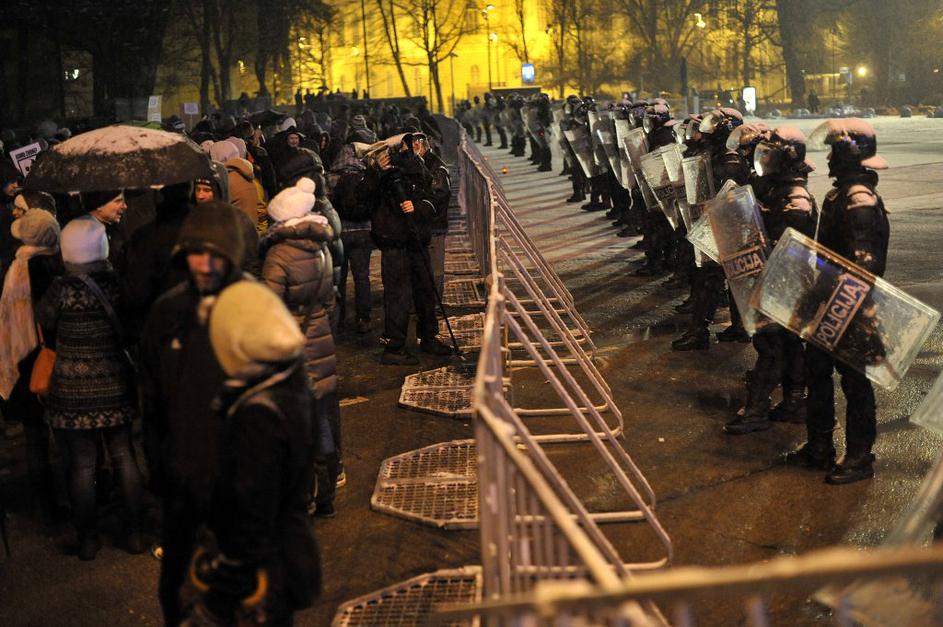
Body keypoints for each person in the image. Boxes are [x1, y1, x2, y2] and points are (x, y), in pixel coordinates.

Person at [182, 282, 320, 625]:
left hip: (263, 576)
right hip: (288, 557)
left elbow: (253, 516)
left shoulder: (257, 414)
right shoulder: (289, 378)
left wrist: (217, 597)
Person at [139, 202, 247, 624]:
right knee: (181, 591)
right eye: (196, 252)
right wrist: (160, 468)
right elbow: (152, 398)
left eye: (215, 252)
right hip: (184, 477)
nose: (205, 263)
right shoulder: (166, 313)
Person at [785, 118, 889, 485]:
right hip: (829, 300)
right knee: (817, 372)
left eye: (834, 151)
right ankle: (819, 445)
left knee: (855, 382)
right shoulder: (838, 196)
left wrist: (839, 302)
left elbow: (865, 265)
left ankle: (860, 455)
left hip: (852, 307)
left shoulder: (858, 201)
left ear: (849, 155)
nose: (827, 158)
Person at [37, 214, 144, 560]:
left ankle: (88, 539)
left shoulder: (60, 289)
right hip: (113, 378)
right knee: (124, 454)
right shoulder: (115, 283)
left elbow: (44, 319)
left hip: (71, 387)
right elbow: (130, 321)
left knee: (82, 465)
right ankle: (134, 533)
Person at [723, 127, 817, 434]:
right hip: (779, 280)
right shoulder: (778, 189)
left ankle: (757, 410)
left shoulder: (796, 200)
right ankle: (793, 402)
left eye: (769, 155)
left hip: (785, 282)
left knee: (772, 344)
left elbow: (781, 245)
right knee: (788, 345)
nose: (764, 161)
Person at [261, 178, 342, 517]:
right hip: (320, 337)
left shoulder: (279, 255)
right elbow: (329, 298)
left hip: (292, 345)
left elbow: (268, 305)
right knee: (321, 416)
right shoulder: (318, 247)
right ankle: (326, 493)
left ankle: (303, 495)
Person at [363, 135, 453, 364]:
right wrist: (377, 174)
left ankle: (429, 338)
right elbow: (361, 202)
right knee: (398, 296)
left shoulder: (416, 167)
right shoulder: (377, 175)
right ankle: (394, 346)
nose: (409, 148)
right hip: (394, 243)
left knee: (425, 291)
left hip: (416, 240)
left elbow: (431, 195)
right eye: (403, 145)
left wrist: (419, 207)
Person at [0, 209, 64, 524]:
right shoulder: (51, 270)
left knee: (35, 437)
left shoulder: (13, 269)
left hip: (23, 364)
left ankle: (45, 507)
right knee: (63, 436)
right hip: (49, 360)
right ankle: (67, 500)